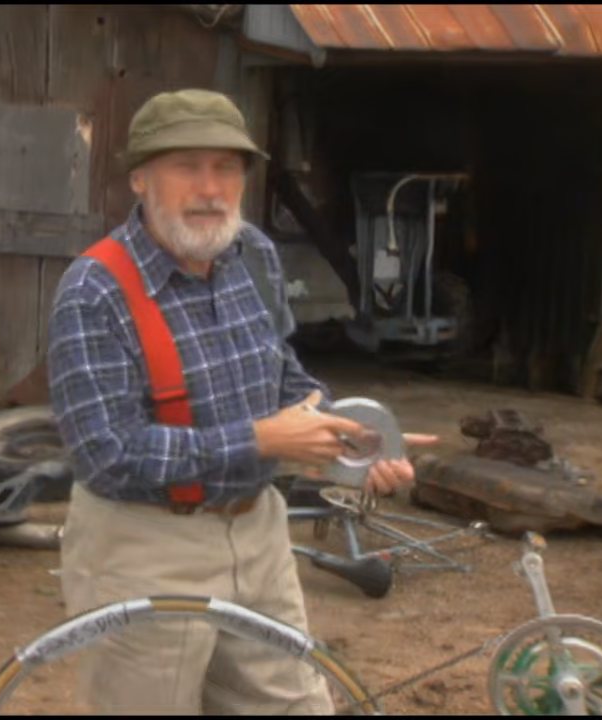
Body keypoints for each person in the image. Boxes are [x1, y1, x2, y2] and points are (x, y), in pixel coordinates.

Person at [46, 88, 437, 715]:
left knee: (297, 707)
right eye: (187, 166)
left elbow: (281, 378)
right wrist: (262, 440)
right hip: (143, 545)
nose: (210, 188)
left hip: (260, 537)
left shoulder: (251, 253)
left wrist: (350, 440)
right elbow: (107, 455)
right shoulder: (94, 291)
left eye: (226, 167)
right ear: (140, 178)